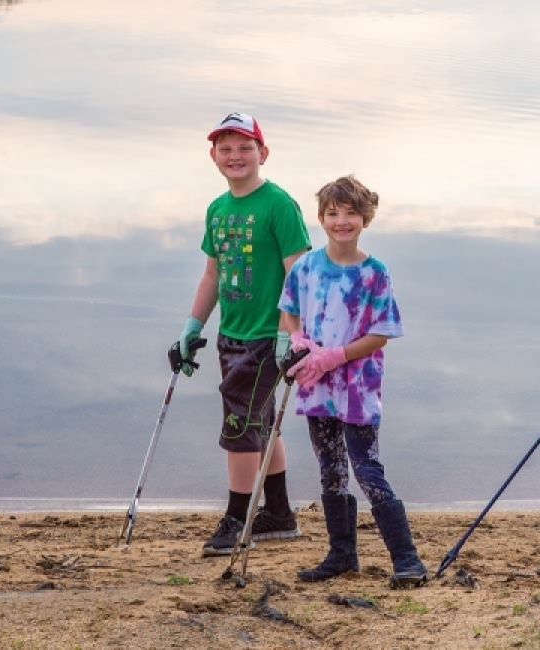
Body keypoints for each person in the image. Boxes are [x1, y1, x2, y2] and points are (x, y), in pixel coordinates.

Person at [277, 175, 428, 589]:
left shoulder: (375, 273)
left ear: (365, 218)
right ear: (321, 219)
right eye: (333, 213)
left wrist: (335, 355)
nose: (341, 221)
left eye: (351, 214)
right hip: (316, 386)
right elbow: (287, 309)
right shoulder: (306, 266)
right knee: (331, 470)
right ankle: (342, 554)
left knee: (366, 469)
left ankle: (407, 559)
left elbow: (382, 333)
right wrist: (297, 338)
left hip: (357, 388)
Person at [174, 112, 311, 557]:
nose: (235, 156)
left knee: (239, 428)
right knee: (262, 423)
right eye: (226, 149)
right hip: (230, 334)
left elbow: (299, 274)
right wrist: (192, 327)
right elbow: (212, 275)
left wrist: (290, 333)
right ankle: (279, 513)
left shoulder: (278, 205)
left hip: (266, 337)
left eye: (244, 147)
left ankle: (236, 517)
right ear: (214, 156)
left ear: (262, 153)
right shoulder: (218, 210)